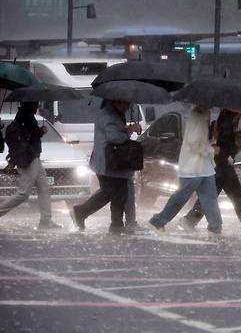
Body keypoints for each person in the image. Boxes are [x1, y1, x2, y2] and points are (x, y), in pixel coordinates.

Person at [181, 110, 241, 230]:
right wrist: (235, 147)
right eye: (239, 114)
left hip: (221, 164)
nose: (240, 116)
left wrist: (236, 144)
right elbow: (223, 147)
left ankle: (190, 220)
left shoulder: (228, 122)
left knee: (217, 194)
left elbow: (226, 147)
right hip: (222, 165)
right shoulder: (226, 124)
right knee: (233, 193)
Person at [149, 106, 223, 235]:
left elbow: (199, 142)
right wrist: (212, 149)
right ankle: (157, 222)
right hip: (193, 167)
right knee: (182, 197)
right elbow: (194, 144)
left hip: (204, 167)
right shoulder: (197, 118)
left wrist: (211, 141)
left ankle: (215, 227)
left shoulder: (202, 116)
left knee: (209, 198)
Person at [70, 100, 141, 234]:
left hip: (110, 162)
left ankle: (114, 224)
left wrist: (127, 129)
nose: (127, 107)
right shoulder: (109, 116)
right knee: (114, 193)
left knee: (113, 193)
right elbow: (115, 137)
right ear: (116, 101)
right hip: (108, 162)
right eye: (125, 103)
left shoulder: (113, 114)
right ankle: (85, 214)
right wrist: (130, 130)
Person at [0, 101, 62, 229]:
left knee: (44, 187)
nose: (38, 106)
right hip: (28, 158)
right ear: (29, 104)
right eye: (35, 103)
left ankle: (46, 221)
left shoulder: (27, 116)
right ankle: (45, 221)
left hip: (33, 156)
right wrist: (40, 132)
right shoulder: (24, 117)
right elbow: (27, 139)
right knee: (23, 193)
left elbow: (29, 136)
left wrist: (39, 132)